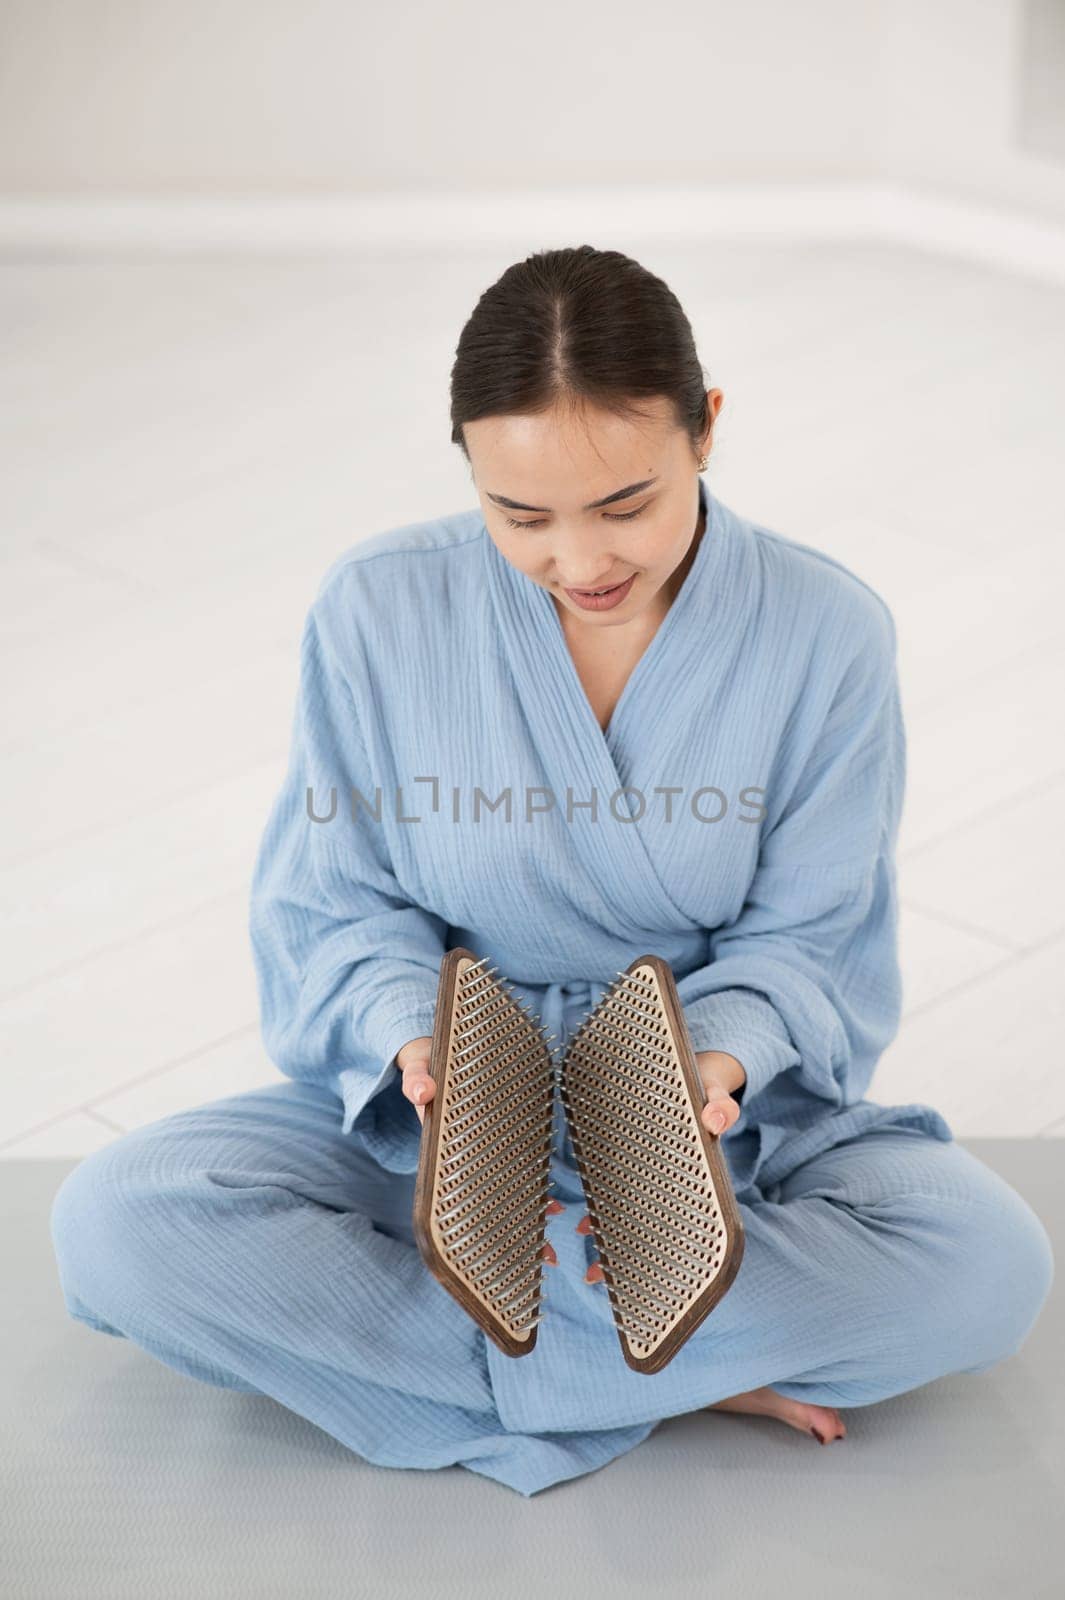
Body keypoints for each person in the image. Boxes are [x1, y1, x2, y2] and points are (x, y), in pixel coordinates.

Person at [49, 245, 1054, 1498]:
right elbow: (339, 899)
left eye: (625, 503)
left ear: (707, 430)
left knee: (986, 1264)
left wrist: (715, 1061)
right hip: (451, 1120)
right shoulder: (378, 608)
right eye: (520, 516)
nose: (579, 560)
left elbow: (812, 935)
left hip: (707, 1130)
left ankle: (541, 1339)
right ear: (468, 469)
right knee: (117, 1223)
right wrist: (410, 1037)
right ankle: (675, 1358)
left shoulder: (826, 631)